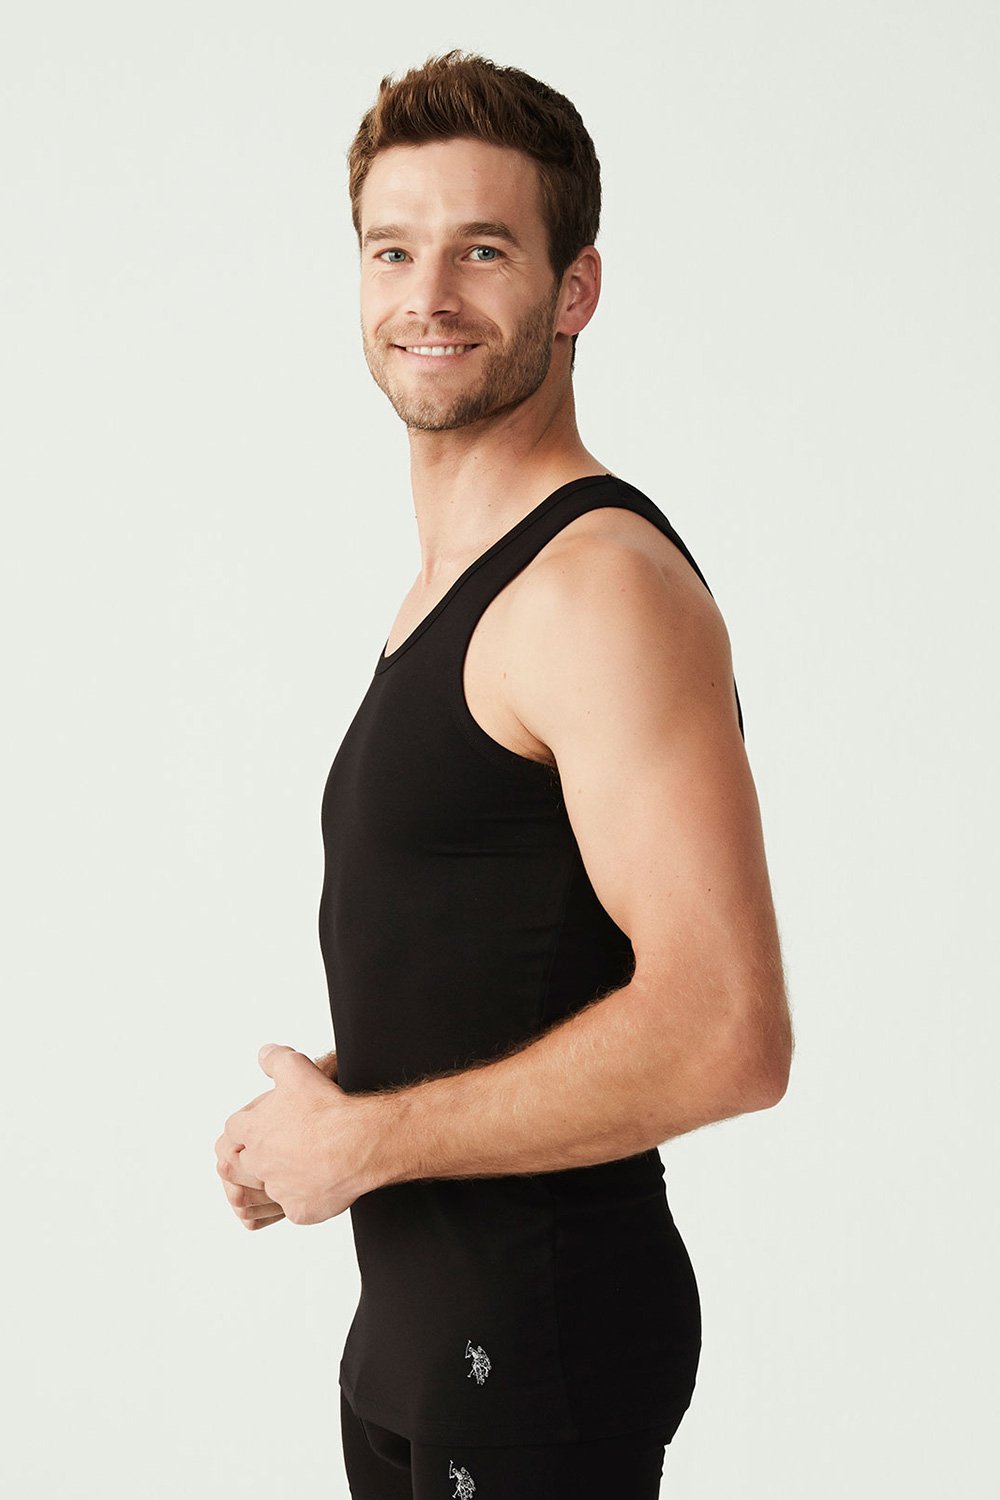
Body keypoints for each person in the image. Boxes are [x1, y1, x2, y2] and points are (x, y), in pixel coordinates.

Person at [215, 49, 793, 1500]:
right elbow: (515, 953)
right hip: (421, 1340)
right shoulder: (454, 585)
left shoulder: (595, 589)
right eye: (392, 250)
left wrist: (369, 1137)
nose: (429, 295)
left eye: (482, 250)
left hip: (533, 1348)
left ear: (574, 289)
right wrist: (337, 1109)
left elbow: (728, 1031)